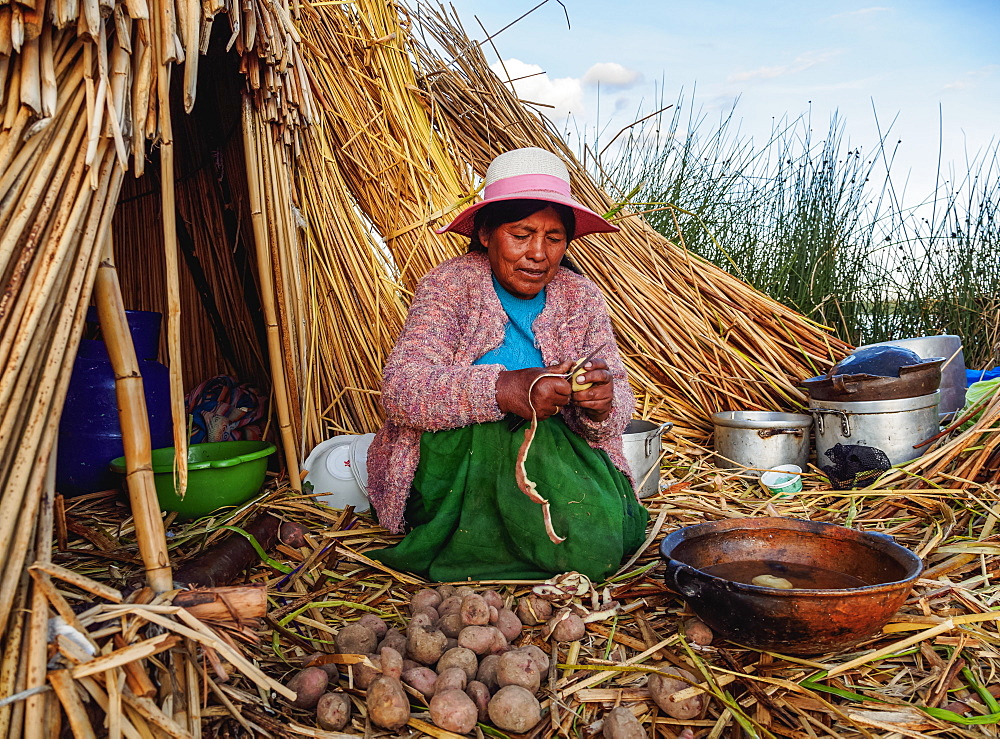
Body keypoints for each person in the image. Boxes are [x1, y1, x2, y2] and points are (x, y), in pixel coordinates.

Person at [365, 147, 648, 582]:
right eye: (521, 234)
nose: (538, 253)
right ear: (485, 233)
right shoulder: (448, 287)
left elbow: (616, 403)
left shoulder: (582, 298)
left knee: (603, 538)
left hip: (556, 458)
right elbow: (402, 390)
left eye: (554, 238)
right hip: (458, 463)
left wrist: (602, 402)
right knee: (501, 439)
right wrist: (503, 390)